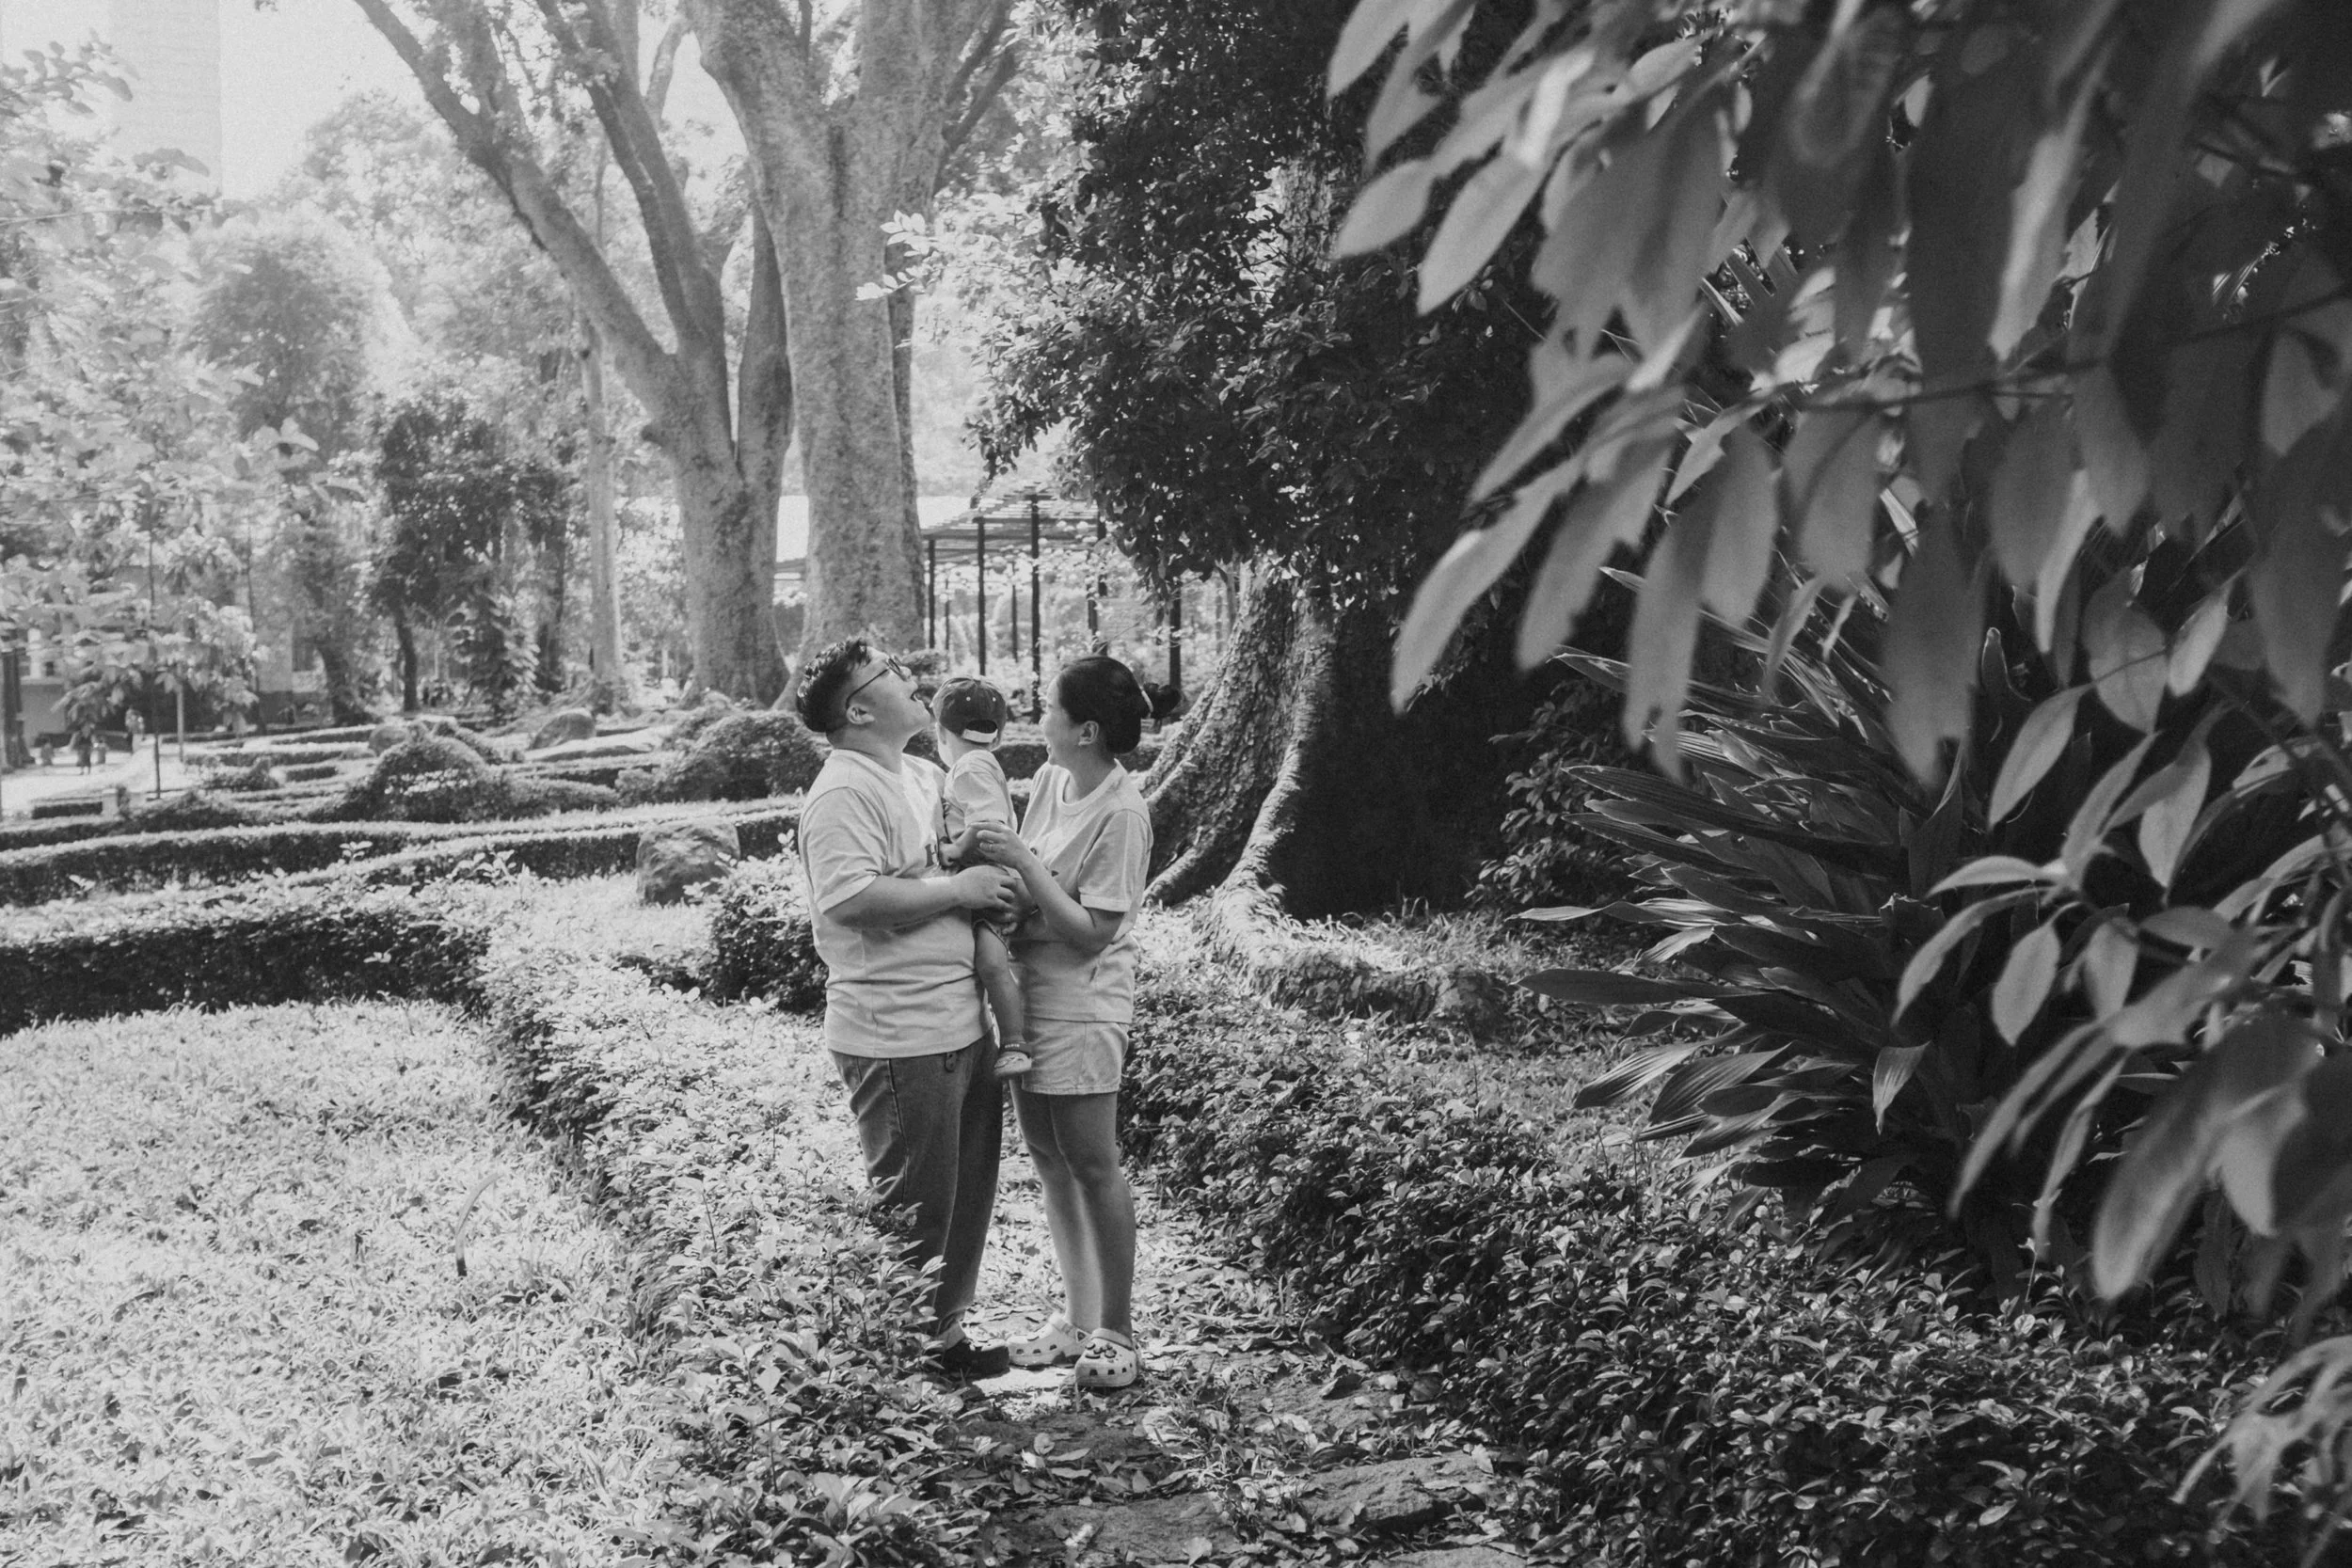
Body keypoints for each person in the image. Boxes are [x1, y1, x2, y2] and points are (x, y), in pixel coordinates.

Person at [791, 638, 1023, 1380]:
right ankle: (901, 1369)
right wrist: (960, 891)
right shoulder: (841, 792)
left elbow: (953, 864)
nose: (909, 677)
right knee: (914, 1210)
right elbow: (852, 898)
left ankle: (945, 1340)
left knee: (963, 1196)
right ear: (858, 709)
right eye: (888, 673)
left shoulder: (923, 774)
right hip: (898, 1032)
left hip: (961, 1016)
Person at [974, 655, 1156, 1390]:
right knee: (1049, 1157)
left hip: (1084, 1002)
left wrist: (1020, 858)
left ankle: (1119, 1329)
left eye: (1048, 708)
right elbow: (1033, 889)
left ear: (1084, 729)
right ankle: (1077, 1319)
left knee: (1091, 1158)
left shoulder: (1122, 811)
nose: (1036, 718)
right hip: (1030, 992)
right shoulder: (1050, 780)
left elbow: (1091, 930)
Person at [930, 675, 1031, 1080]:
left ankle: (1015, 1043)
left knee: (991, 964)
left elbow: (988, 824)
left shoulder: (967, 766)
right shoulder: (982, 763)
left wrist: (954, 849)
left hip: (989, 877)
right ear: (1000, 734)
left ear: (941, 731)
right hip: (986, 875)